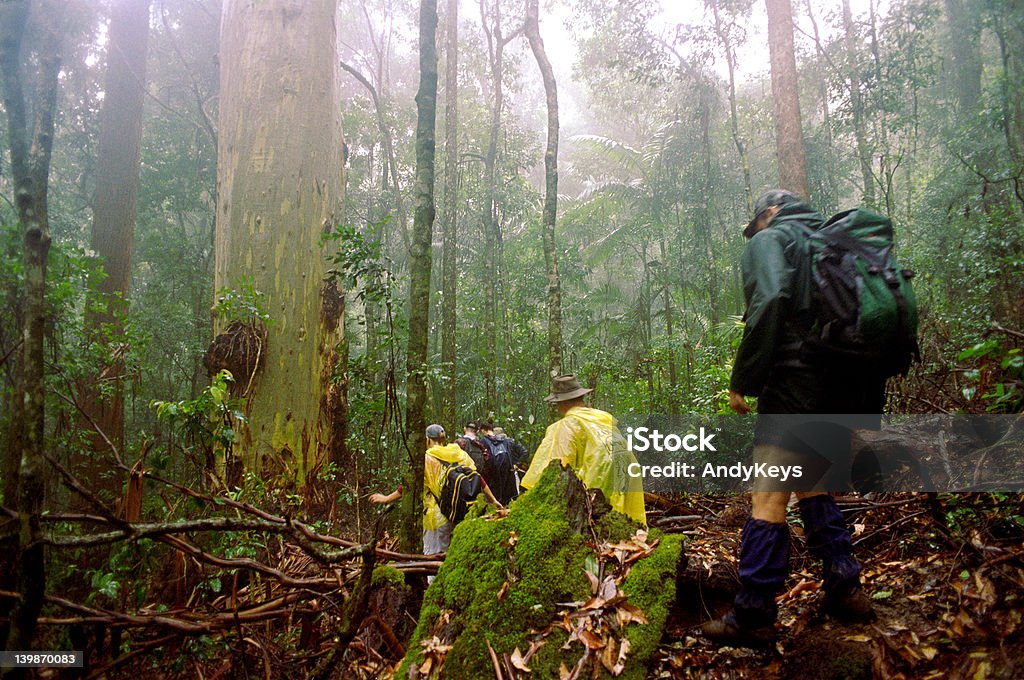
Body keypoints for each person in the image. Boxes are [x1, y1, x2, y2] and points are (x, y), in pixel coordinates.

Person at [701, 189, 881, 647]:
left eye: (755, 224)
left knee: (767, 498)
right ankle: (846, 586)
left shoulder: (771, 240)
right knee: (812, 484)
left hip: (794, 384)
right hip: (841, 386)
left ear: (769, 214)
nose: (754, 233)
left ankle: (753, 613)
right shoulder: (829, 244)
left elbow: (771, 299)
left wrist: (745, 377)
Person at [520, 375, 647, 525]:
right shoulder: (602, 420)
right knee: (622, 521)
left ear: (561, 402)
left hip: (600, 470)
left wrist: (530, 493)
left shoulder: (567, 424)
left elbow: (556, 465)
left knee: (597, 522)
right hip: (628, 468)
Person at [369, 424, 502, 562]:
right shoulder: (459, 453)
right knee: (451, 556)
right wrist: (493, 500)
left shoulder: (427, 459)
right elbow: (477, 478)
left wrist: (386, 499)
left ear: (427, 440)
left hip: (437, 516)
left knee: (433, 557)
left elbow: (408, 486)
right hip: (458, 513)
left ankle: (433, 583)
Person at [478, 419, 526, 505]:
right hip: (508, 475)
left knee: (495, 503)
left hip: (493, 478)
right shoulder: (505, 440)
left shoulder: (482, 442)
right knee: (508, 502)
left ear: (482, 430)